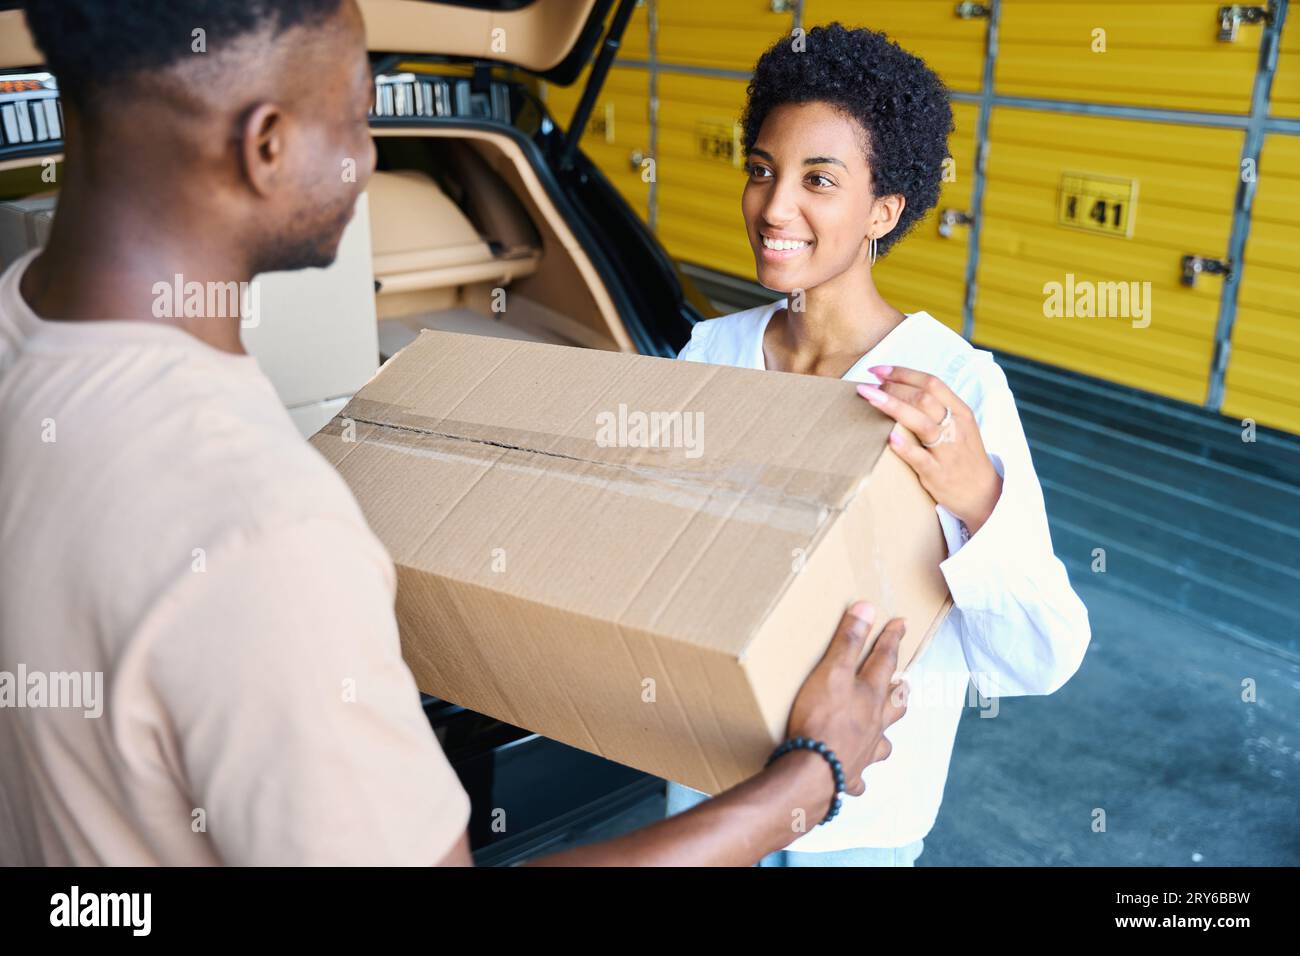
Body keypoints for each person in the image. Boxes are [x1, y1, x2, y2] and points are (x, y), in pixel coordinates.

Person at [0, 0, 911, 867]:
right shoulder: (268, 534)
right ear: (267, 146)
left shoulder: (20, 344)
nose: (369, 152)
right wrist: (811, 774)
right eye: (358, 115)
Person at [665, 23, 1092, 867]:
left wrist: (978, 498)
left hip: (861, 825)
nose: (774, 206)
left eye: (818, 180)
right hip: (711, 798)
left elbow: (1045, 656)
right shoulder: (707, 355)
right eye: (762, 170)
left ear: (884, 210)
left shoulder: (952, 388)